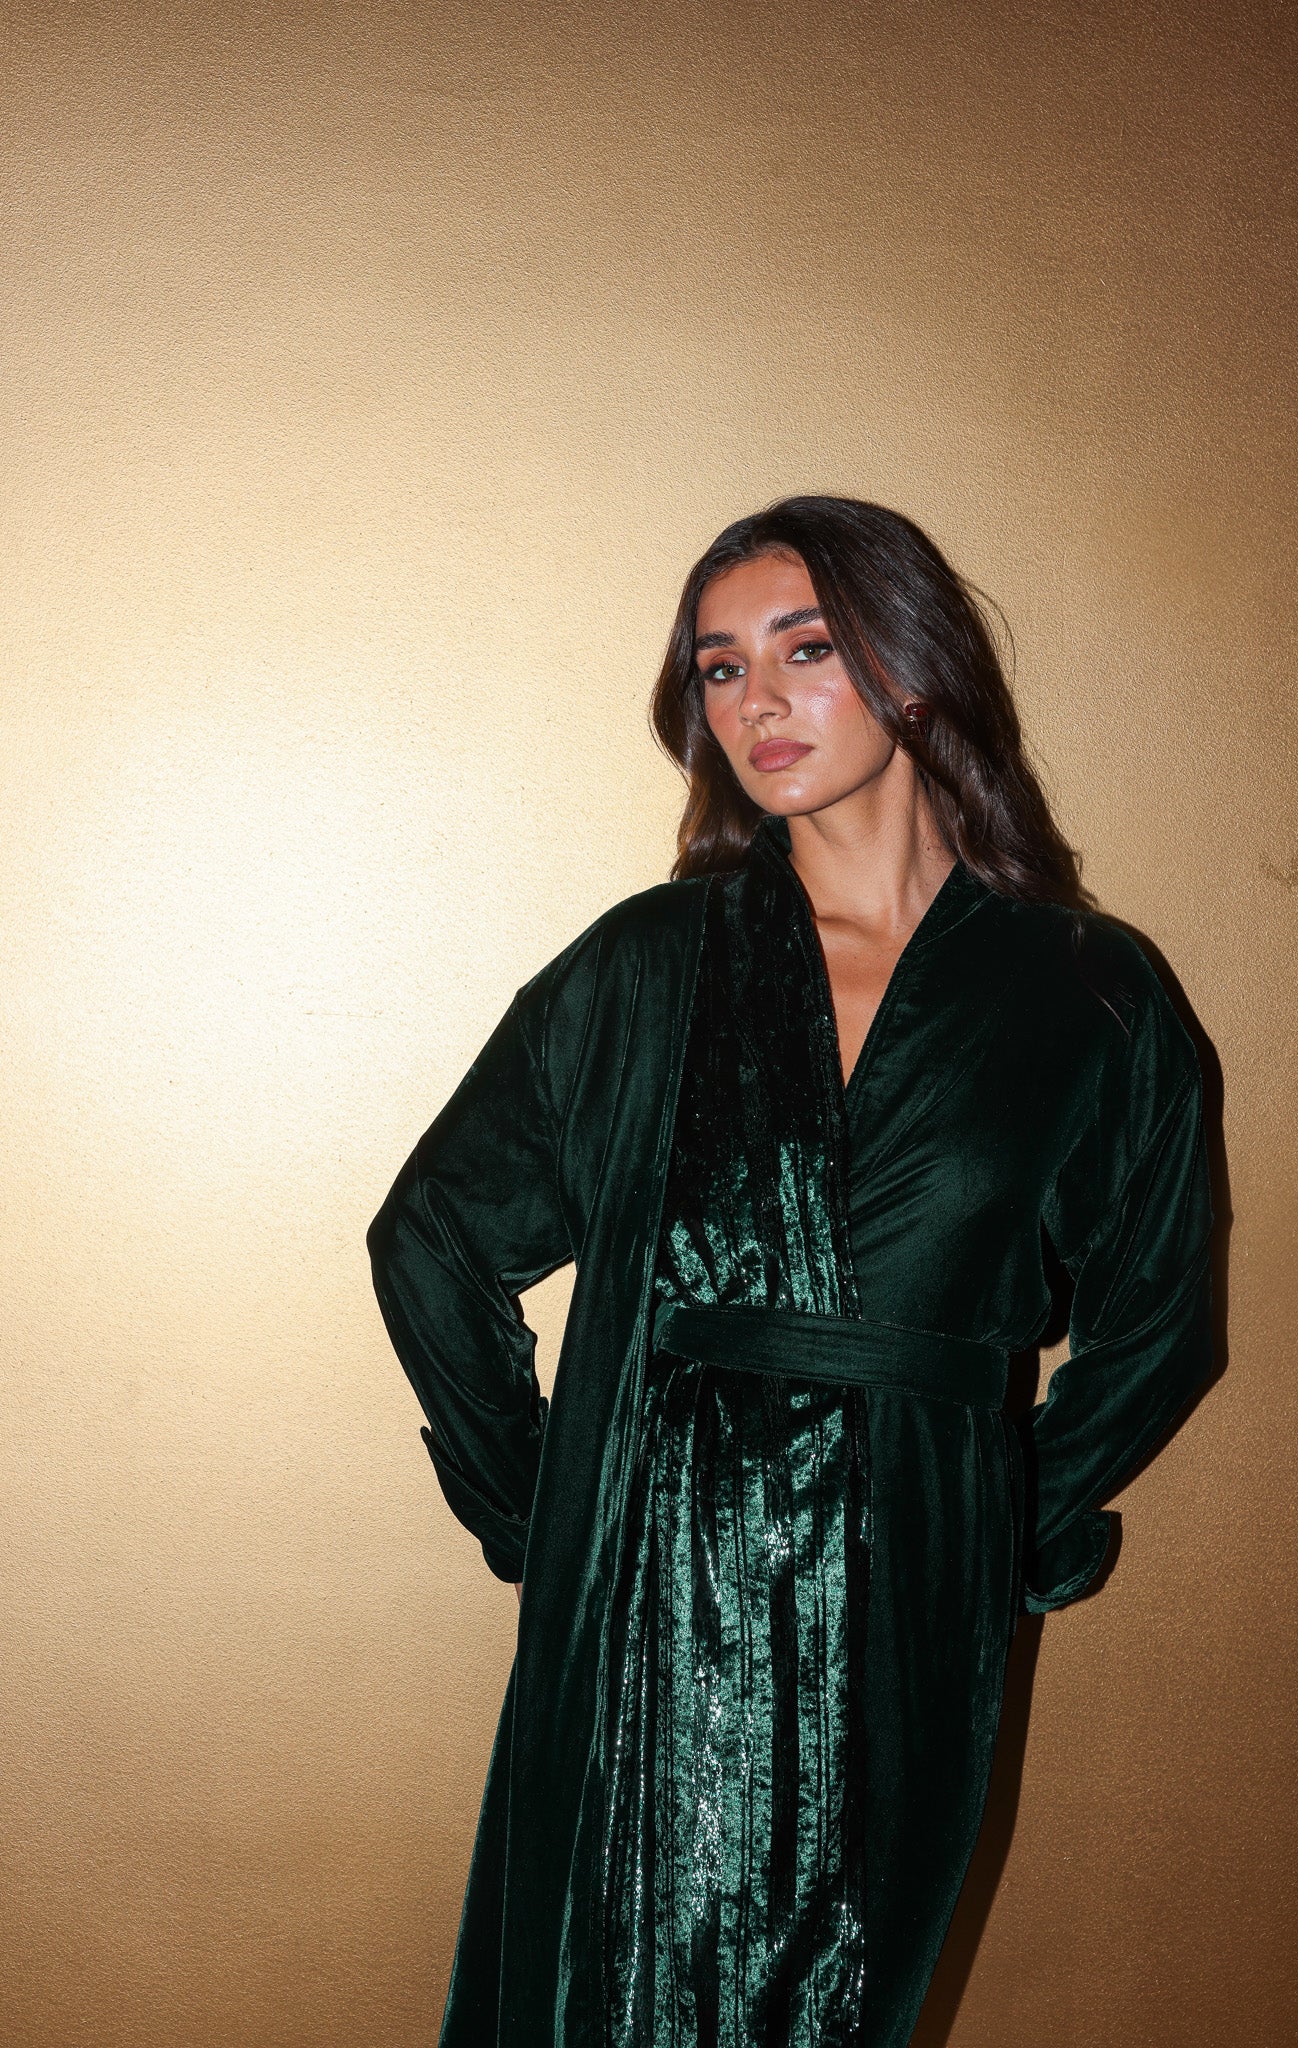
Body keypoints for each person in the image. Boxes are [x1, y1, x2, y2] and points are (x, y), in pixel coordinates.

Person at [366, 495, 1215, 2047]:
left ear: (911, 669)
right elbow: (432, 1236)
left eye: (803, 650)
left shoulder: (1084, 991)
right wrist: (545, 1506)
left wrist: (1003, 1518)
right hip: (647, 1567)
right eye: (718, 668)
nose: (755, 699)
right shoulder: (644, 965)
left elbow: (1161, 1317)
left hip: (913, 1586)